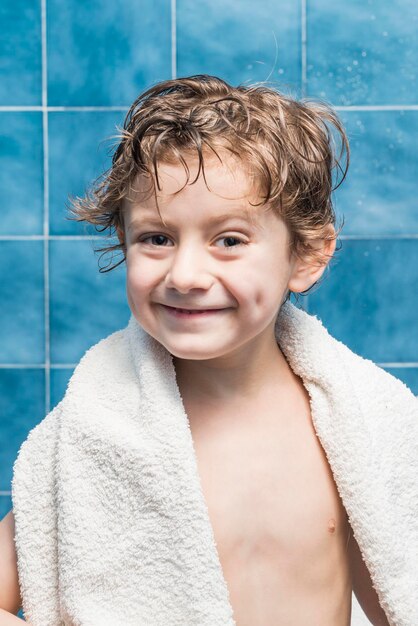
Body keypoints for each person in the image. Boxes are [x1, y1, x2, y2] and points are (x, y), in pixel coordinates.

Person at [2, 75, 416, 626]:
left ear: (307, 256)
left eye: (229, 240)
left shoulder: (362, 425)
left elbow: (400, 594)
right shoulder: (97, 435)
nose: (187, 275)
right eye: (157, 237)